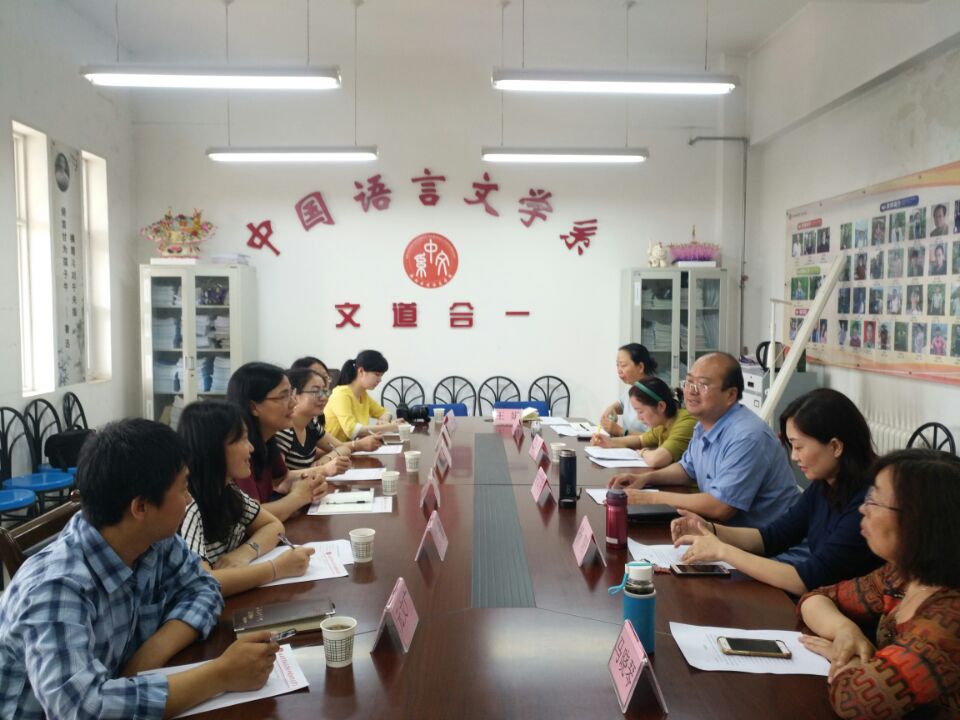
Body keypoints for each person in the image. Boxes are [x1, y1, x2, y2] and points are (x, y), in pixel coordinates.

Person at [0, 418, 279, 719]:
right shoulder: (56, 587)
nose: (189, 499)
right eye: (183, 487)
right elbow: (84, 710)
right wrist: (220, 675)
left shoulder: (152, 540)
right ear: (141, 508)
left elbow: (204, 587)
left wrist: (151, 653)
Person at [798, 449, 960, 718]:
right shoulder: (902, 575)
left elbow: (854, 701)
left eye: (874, 500)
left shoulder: (949, 618)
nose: (863, 508)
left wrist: (849, 657)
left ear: (918, 522)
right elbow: (817, 597)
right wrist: (846, 632)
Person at [671, 389, 882, 595]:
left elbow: (807, 580)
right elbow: (772, 538)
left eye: (799, 447)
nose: (794, 457)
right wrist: (709, 529)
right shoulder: (824, 485)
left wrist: (722, 550)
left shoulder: (868, 504)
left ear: (835, 446)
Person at [609, 353, 800, 526]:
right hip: (724, 533)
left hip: (767, 546)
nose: (691, 391)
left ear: (730, 395)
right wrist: (645, 479)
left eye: (703, 385)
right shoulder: (704, 424)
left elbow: (720, 506)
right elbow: (686, 469)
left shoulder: (747, 437)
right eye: (689, 382)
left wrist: (651, 498)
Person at [178, 400, 317, 597]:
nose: (251, 448)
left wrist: (244, 553)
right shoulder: (188, 505)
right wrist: (276, 569)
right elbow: (201, 582)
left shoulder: (229, 491)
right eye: (242, 440)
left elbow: (274, 526)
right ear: (213, 448)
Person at [227, 362, 331, 521]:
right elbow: (252, 515)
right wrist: (299, 497)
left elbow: (283, 479)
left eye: (291, 394)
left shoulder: (267, 440)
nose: (293, 403)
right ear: (253, 407)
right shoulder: (239, 450)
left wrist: (311, 482)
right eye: (283, 396)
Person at [276, 367, 382, 469]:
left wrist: (328, 458)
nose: (324, 397)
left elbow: (342, 448)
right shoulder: (283, 431)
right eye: (315, 391)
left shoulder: (311, 424)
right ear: (294, 395)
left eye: (325, 391)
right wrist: (322, 469)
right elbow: (280, 479)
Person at [590, 377, 696, 468]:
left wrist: (643, 452)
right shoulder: (662, 424)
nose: (638, 417)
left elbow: (656, 459)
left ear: (661, 406)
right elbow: (640, 440)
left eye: (640, 411)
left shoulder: (686, 423)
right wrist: (609, 441)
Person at [324, 350, 407, 442]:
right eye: (377, 374)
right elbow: (351, 430)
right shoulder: (341, 394)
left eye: (381, 376)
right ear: (361, 371)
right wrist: (390, 427)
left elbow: (385, 412)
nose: (380, 380)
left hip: (351, 447)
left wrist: (385, 421)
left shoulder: (363, 395)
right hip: (331, 448)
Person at [599, 343, 657, 437]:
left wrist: (620, 431)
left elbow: (654, 439)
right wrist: (612, 408)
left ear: (640, 367)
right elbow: (621, 404)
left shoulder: (653, 393)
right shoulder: (633, 387)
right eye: (617, 365)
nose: (619, 370)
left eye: (623, 365)